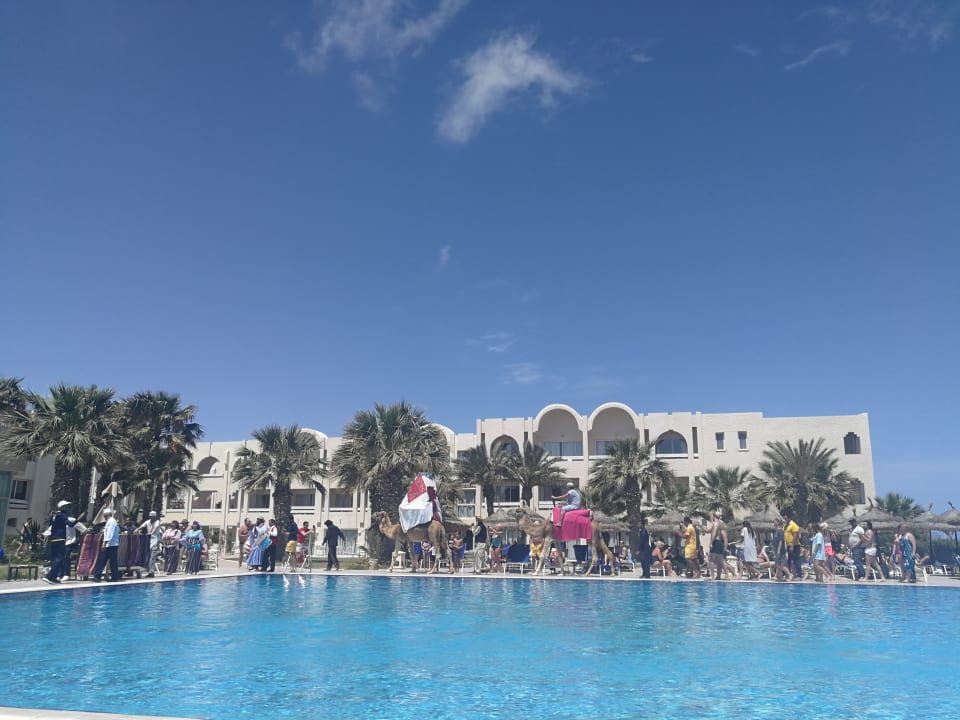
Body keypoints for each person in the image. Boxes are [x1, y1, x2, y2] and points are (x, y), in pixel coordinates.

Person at [43, 501, 78, 585]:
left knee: (55, 559)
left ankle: (54, 577)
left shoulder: (54, 516)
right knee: (60, 558)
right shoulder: (62, 515)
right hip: (60, 539)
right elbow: (70, 524)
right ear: (62, 507)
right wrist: (78, 520)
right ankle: (49, 576)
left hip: (54, 539)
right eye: (66, 506)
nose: (68, 508)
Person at [92, 508, 121, 582]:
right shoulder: (110, 521)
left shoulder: (111, 521)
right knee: (106, 560)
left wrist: (104, 543)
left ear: (106, 515)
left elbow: (109, 533)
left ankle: (100, 576)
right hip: (110, 544)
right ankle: (100, 576)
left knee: (106, 560)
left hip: (111, 544)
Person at [137, 511, 163, 577]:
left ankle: (151, 572)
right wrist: (137, 530)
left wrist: (151, 533)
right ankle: (148, 571)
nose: (152, 518)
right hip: (149, 541)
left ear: (155, 517)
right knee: (148, 557)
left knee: (152, 557)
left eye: (153, 517)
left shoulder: (157, 522)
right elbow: (142, 526)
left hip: (155, 541)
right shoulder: (148, 522)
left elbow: (155, 528)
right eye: (151, 517)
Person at [708, 513, 730, 580]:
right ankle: (726, 575)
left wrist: (711, 543)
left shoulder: (715, 523)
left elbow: (714, 534)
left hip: (716, 542)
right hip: (720, 543)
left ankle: (712, 575)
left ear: (714, 516)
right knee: (722, 560)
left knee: (711, 559)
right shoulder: (721, 524)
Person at [783, 510, 802, 580]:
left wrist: (792, 545)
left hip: (795, 545)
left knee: (796, 560)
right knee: (788, 560)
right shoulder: (786, 526)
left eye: (785, 518)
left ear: (789, 518)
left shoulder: (794, 525)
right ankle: (789, 574)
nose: (784, 520)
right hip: (788, 545)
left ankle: (799, 575)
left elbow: (795, 536)